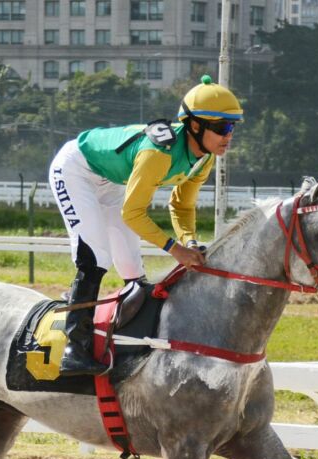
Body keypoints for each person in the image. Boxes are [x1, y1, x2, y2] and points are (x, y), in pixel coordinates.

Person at [49, 75, 243, 376]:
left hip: (110, 179)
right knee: (96, 256)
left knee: (133, 272)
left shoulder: (203, 158)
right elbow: (133, 214)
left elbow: (181, 205)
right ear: (194, 126)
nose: (228, 136)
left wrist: (189, 241)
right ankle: (73, 349)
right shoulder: (158, 153)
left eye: (232, 127)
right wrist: (174, 249)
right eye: (222, 128)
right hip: (75, 169)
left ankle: (129, 340)